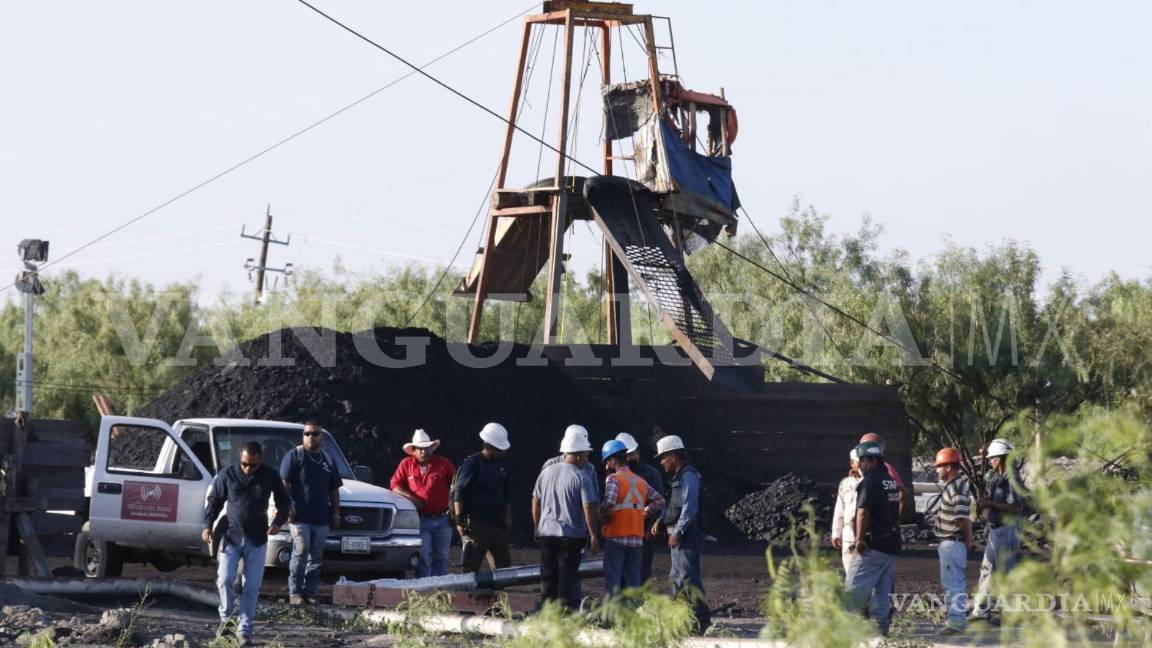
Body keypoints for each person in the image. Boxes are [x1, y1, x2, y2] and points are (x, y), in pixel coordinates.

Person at [203, 442, 290, 647]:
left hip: (257, 539)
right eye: (244, 464)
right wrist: (207, 525)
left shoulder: (270, 476)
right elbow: (214, 500)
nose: (248, 469)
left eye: (253, 465)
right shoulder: (227, 474)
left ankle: (244, 632)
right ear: (239, 458)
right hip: (231, 537)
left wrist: (278, 522)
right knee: (224, 579)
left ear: (260, 461)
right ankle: (226, 621)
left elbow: (284, 502)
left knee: (251, 587)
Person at [532, 430, 600, 611]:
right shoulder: (582, 477)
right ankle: (564, 615)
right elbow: (589, 507)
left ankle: (547, 614)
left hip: (546, 534)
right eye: (586, 454)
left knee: (547, 576)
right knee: (567, 577)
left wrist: (537, 526)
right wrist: (593, 534)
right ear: (577, 456)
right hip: (570, 536)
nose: (587, 458)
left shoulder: (546, 472)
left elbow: (535, 500)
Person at [279, 420, 343, 606]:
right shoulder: (295, 455)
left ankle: (310, 591)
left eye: (314, 433)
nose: (310, 437)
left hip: (322, 516)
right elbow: (284, 483)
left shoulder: (328, 459)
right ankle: (295, 592)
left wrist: (336, 513)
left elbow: (334, 489)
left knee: (316, 555)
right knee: (300, 551)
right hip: (299, 516)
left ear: (321, 436)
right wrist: (288, 507)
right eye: (306, 433)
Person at [845, 440, 902, 636]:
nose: (860, 465)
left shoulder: (870, 481)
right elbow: (902, 502)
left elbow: (862, 512)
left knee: (852, 591)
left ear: (872, 460)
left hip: (875, 545)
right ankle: (881, 634)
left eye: (862, 460)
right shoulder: (890, 481)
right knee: (882, 593)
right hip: (891, 544)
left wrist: (859, 540)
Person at [654, 435, 710, 633]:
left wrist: (677, 531)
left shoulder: (689, 476)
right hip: (677, 535)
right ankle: (681, 620)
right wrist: (661, 521)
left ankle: (701, 621)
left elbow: (689, 507)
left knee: (689, 577)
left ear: (673, 456)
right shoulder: (677, 478)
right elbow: (672, 505)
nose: (661, 462)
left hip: (686, 535)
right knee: (677, 577)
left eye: (663, 458)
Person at [599, 439, 665, 597]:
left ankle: (612, 619)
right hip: (636, 538)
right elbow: (660, 501)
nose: (607, 465)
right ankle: (632, 618)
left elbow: (608, 503)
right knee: (634, 582)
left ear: (613, 460)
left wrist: (600, 515)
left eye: (607, 461)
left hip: (616, 536)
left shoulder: (614, 479)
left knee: (613, 582)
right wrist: (643, 513)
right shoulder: (639, 480)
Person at [970, 438, 1022, 625]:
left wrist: (990, 503)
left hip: (1007, 531)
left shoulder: (1011, 478)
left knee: (1006, 572)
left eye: (992, 458)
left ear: (1000, 459)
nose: (990, 462)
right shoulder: (998, 477)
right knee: (988, 570)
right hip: (996, 530)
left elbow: (1016, 507)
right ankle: (982, 611)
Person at [390, 429, 455, 578]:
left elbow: (456, 485)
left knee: (441, 556)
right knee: (423, 557)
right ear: (414, 450)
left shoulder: (443, 464)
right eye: (420, 448)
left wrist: (454, 509)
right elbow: (395, 485)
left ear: (432, 447)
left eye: (426, 447)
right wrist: (412, 499)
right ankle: (423, 591)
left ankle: (439, 591)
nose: (423, 451)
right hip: (421, 519)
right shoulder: (406, 464)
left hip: (443, 518)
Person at [453, 422, 513, 573]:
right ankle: (467, 595)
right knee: (471, 567)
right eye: (500, 449)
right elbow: (459, 491)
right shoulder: (472, 463)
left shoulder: (502, 464)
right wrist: (460, 520)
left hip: (497, 524)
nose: (503, 452)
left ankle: (500, 595)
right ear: (490, 446)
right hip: (477, 524)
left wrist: (507, 517)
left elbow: (506, 493)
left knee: (504, 566)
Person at [933, 447, 974, 636]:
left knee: (953, 584)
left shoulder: (956, 488)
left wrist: (968, 540)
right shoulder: (955, 486)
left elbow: (962, 519)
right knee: (954, 582)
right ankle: (957, 621)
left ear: (949, 467)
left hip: (952, 542)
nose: (937, 470)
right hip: (952, 543)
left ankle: (956, 624)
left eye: (939, 466)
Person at [616, 432, 665, 584]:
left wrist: (651, 526)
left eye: (632, 453)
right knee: (620, 572)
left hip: (642, 532)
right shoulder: (612, 473)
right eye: (627, 454)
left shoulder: (650, 473)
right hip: (620, 531)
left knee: (641, 572)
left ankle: (638, 604)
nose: (631, 457)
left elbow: (660, 502)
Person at [831, 448, 863, 575]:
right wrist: (836, 533)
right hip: (848, 533)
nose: (861, 464)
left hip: (865, 532)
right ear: (852, 464)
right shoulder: (845, 484)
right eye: (858, 462)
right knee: (850, 570)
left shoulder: (870, 481)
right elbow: (839, 509)